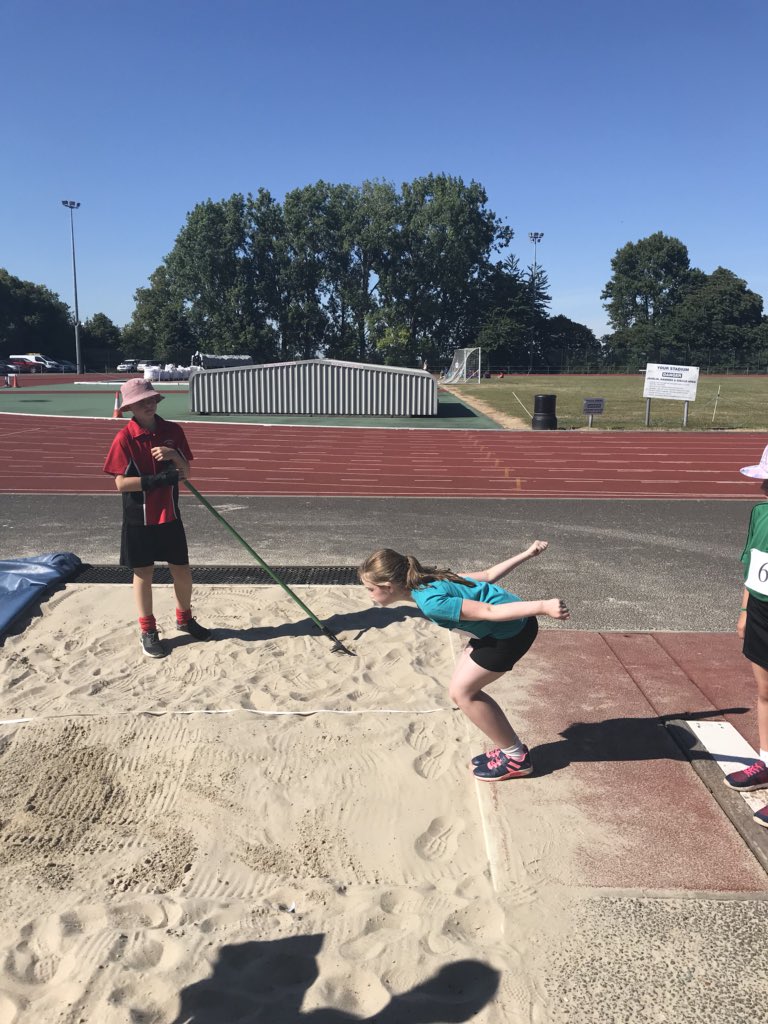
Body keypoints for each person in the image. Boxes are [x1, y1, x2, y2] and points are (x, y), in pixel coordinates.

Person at [358, 542, 569, 781]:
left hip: (510, 634)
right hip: (499, 629)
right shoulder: (428, 578)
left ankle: (516, 759)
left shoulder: (432, 603)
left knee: (463, 694)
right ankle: (510, 751)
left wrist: (543, 606)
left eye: (370, 589)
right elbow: (489, 575)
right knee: (460, 687)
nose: (368, 595)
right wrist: (526, 554)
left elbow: (489, 611)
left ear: (388, 587)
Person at [103, 377, 211, 659]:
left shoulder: (173, 431)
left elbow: (186, 473)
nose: (149, 404)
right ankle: (148, 630)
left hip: (170, 515)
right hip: (139, 518)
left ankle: (184, 618)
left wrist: (174, 455)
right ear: (130, 408)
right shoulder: (124, 438)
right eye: (142, 401)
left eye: (151, 399)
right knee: (143, 574)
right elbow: (120, 484)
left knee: (182, 570)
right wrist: (155, 480)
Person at [725, 444, 768, 827]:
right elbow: (753, 563)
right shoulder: (760, 513)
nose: (761, 488)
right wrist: (743, 609)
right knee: (765, 693)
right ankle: (767, 761)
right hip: (760, 610)